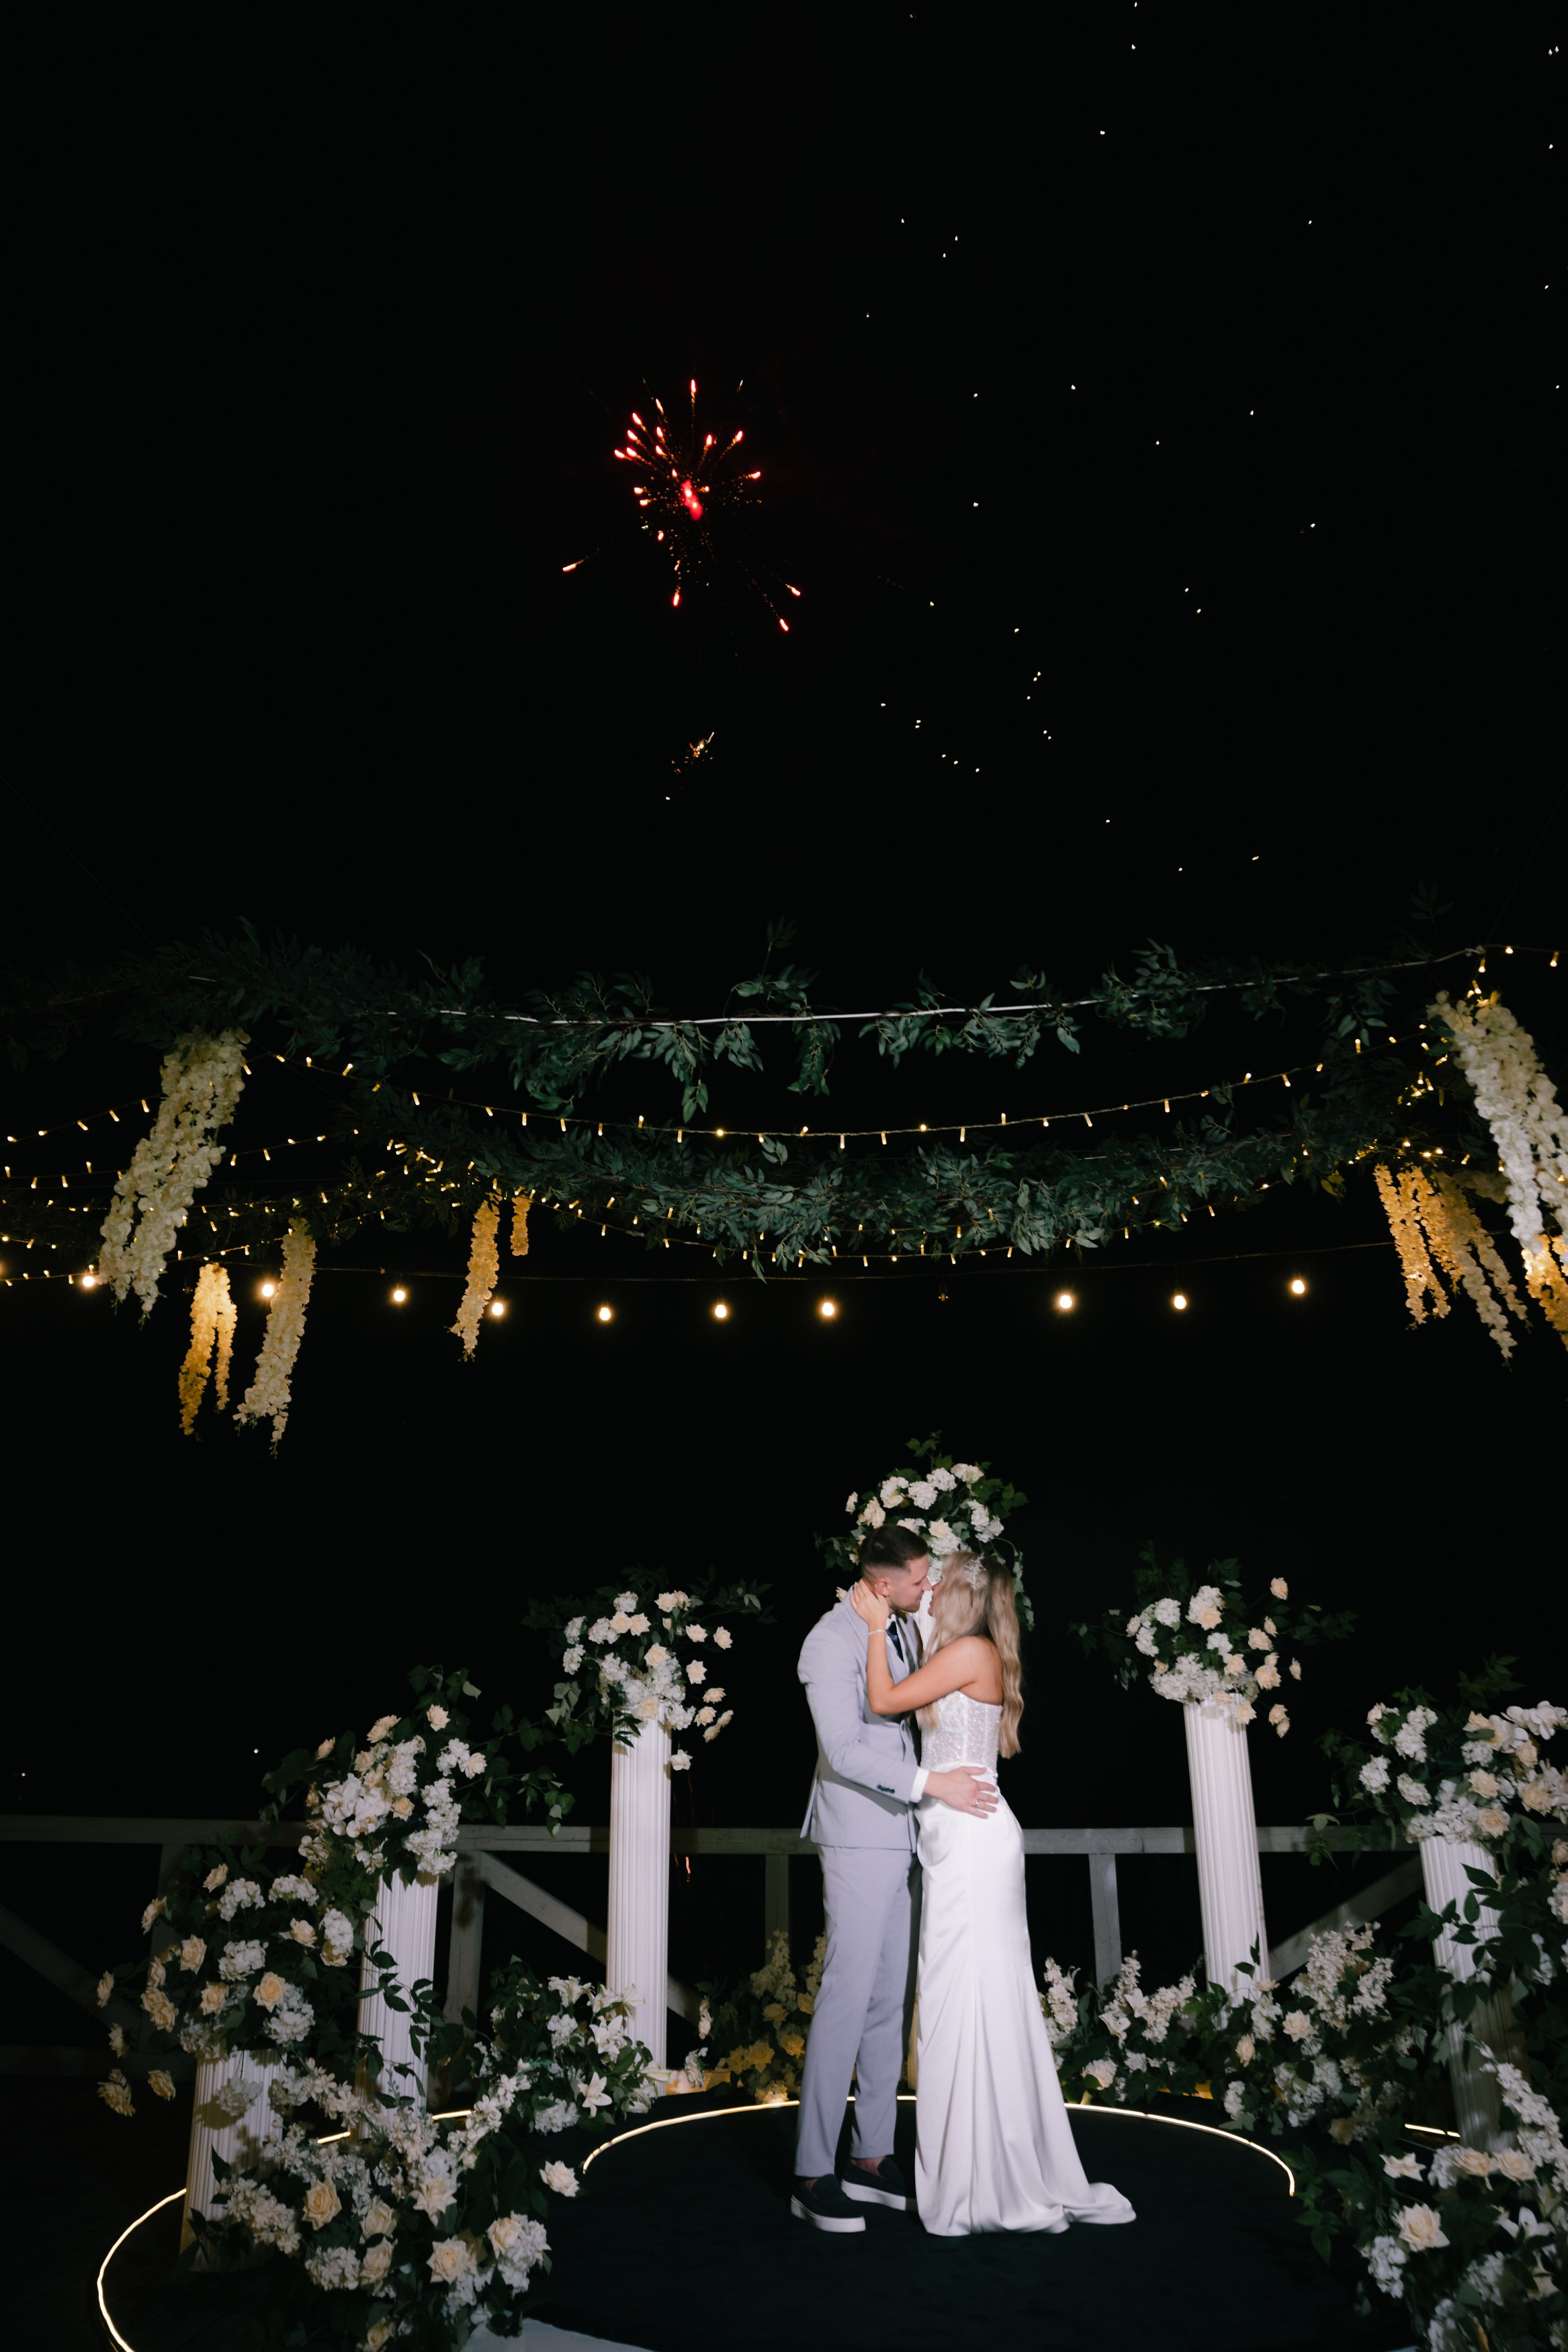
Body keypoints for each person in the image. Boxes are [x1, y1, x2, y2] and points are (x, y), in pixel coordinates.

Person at [851, 1553, 1136, 2236]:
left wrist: (870, 1626)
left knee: (967, 1998)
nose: (930, 1590)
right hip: (961, 1838)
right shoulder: (958, 1648)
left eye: (937, 1580)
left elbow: (883, 1699)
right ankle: (972, 2158)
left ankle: (983, 2172)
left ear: (957, 1594)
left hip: (975, 1844)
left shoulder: (971, 1649)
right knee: (961, 1997)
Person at [791, 1525, 1000, 2232]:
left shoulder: (901, 1629)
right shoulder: (827, 1642)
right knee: (845, 1997)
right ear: (884, 1584)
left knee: (887, 1998)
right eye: (917, 1580)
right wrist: (930, 1780)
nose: (927, 1588)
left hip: (901, 1833)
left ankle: (870, 2154)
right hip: (856, 1832)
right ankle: (811, 2169)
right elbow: (845, 1748)